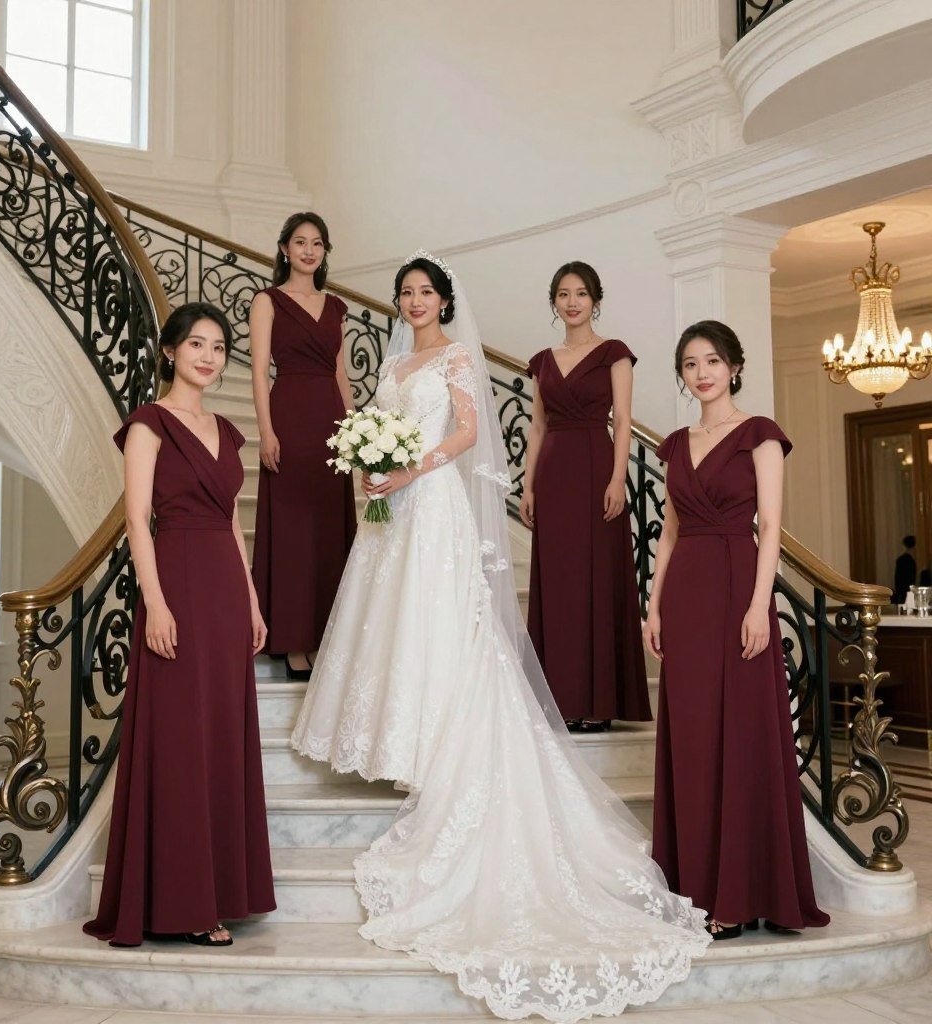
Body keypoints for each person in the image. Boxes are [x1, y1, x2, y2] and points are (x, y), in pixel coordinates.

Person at [291, 252, 710, 1020]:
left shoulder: (456, 355)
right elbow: (374, 428)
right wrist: (370, 469)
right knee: (386, 619)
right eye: (406, 292)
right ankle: (389, 741)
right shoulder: (392, 363)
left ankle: (434, 742)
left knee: (438, 621)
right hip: (390, 509)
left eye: (426, 291)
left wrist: (409, 468)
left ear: (444, 300)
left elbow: (466, 431)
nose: (415, 301)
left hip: (432, 502)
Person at [84, 303, 275, 948]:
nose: (208, 357)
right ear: (170, 351)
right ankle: (185, 902)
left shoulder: (227, 430)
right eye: (196, 344)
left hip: (223, 591)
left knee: (222, 737)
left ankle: (224, 892)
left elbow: (232, 524)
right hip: (176, 584)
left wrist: (251, 601)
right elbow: (137, 520)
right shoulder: (149, 424)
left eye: (218, 347)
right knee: (182, 740)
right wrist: (156, 602)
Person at [644, 319, 829, 940]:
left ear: (734, 367)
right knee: (694, 739)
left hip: (738, 590)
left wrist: (759, 605)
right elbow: (669, 532)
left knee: (740, 738)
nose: (702, 373)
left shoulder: (760, 436)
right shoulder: (675, 444)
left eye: (713, 361)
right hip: (686, 595)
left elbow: (770, 527)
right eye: (690, 364)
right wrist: (654, 607)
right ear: (682, 374)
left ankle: (741, 893)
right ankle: (695, 887)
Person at [522, 262, 651, 732]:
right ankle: (561, 699)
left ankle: (598, 701)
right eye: (563, 294)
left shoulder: (615, 354)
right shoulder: (542, 361)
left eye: (580, 293)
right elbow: (538, 426)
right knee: (559, 586)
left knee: (597, 581)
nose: (572, 302)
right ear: (554, 302)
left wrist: (617, 479)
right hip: (554, 475)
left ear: (595, 300)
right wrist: (528, 485)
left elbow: (624, 421)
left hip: (597, 471)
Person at [250, 212, 357, 681]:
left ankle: (326, 636)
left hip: (331, 422)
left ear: (324, 251)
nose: (309, 251)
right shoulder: (267, 301)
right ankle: (293, 640)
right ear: (285, 249)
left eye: (317, 243)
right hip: (289, 416)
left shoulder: (335, 307)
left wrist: (356, 431)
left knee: (330, 531)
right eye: (300, 242)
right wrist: (267, 431)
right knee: (294, 531)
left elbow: (341, 373)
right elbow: (259, 372)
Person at [893, 535, 917, 604]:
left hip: (901, 591)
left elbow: (897, 579)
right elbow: (912, 579)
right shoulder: (912, 561)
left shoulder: (900, 559)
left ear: (904, 545)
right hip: (909, 591)